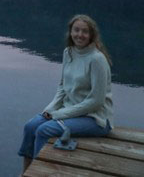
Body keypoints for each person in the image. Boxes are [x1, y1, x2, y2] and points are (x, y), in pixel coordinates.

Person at [18, 15, 113, 173]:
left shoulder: (97, 60)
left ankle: (38, 173)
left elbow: (96, 101)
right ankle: (26, 171)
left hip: (96, 118)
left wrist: (59, 114)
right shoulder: (68, 52)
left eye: (85, 31)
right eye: (76, 30)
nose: (79, 35)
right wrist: (50, 109)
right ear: (70, 32)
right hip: (72, 111)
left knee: (44, 130)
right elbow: (62, 87)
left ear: (92, 35)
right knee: (30, 127)